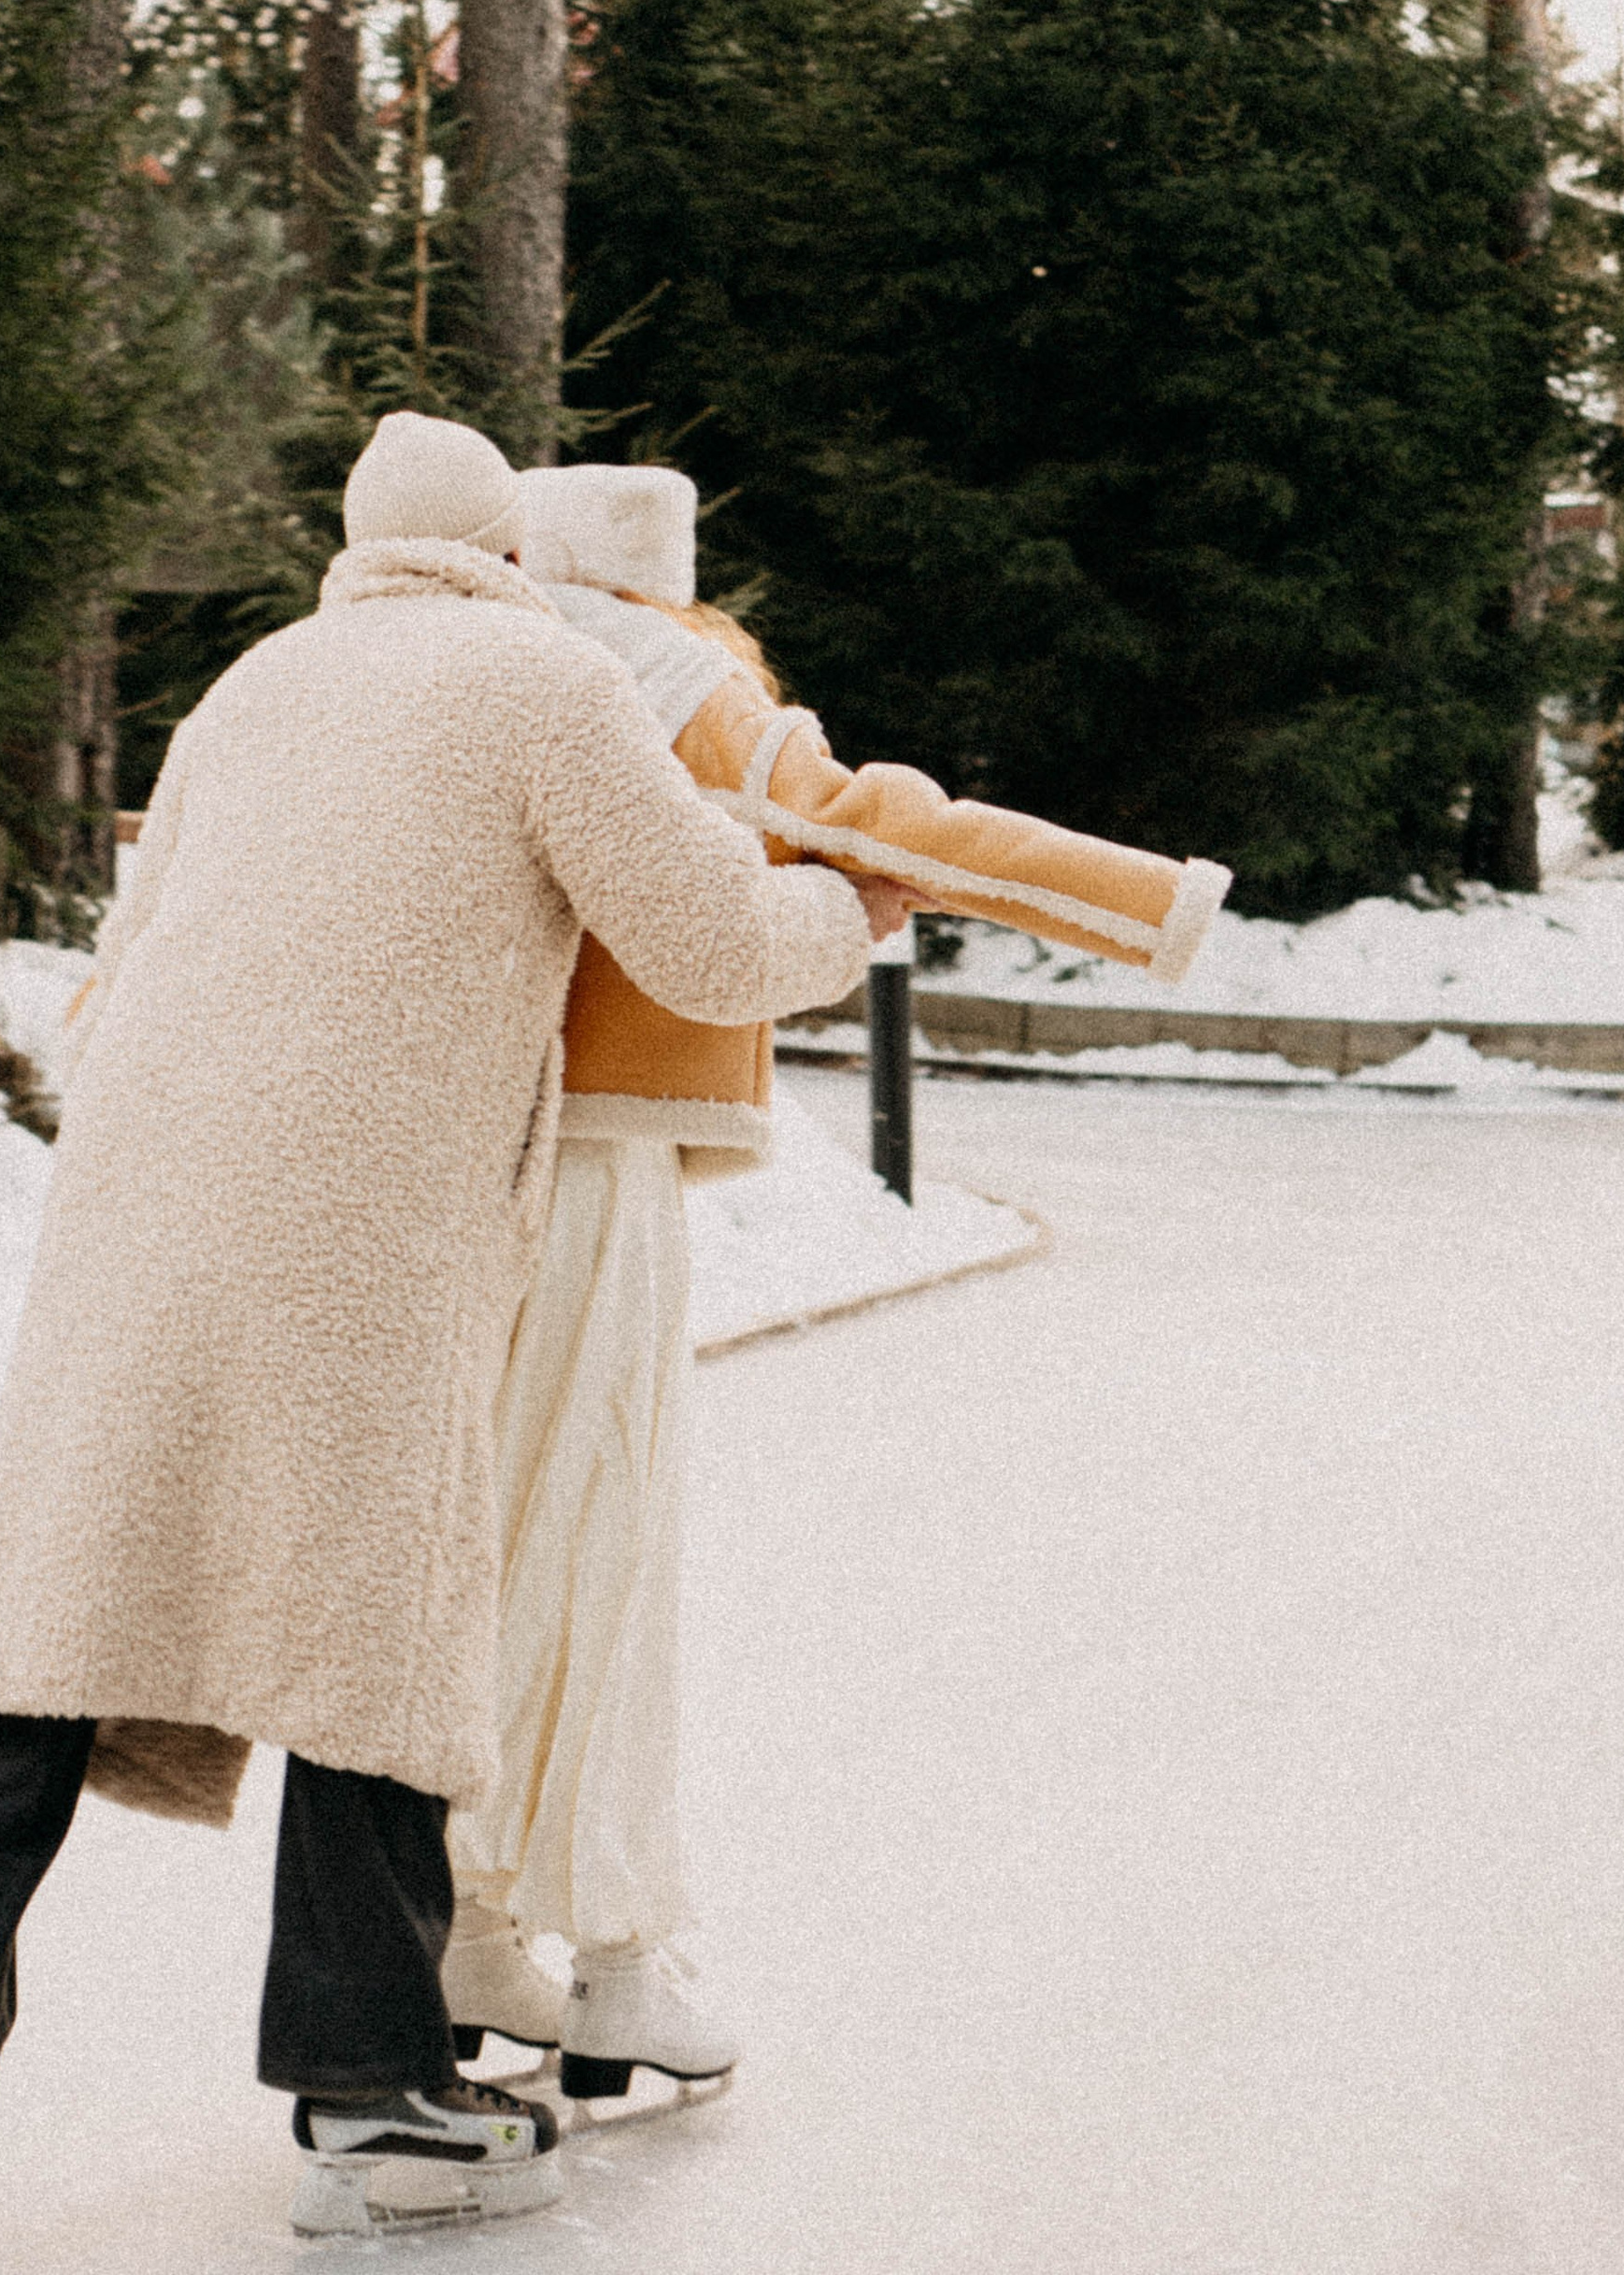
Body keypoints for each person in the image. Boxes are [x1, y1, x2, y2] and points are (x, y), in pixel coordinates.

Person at [0, 413, 901, 2240]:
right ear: (506, 553)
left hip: (142, 1184)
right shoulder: (543, 681)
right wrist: (846, 909)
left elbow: (134, 943)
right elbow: (705, 941)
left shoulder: (249, 688)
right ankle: (370, 2100)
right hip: (362, 1214)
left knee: (74, 1585)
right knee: (378, 1624)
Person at [443, 461, 1231, 2109]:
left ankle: (470, 1923)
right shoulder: (665, 675)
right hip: (597, 1157)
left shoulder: (461, 670)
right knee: (602, 1540)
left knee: (485, 1546)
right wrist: (1148, 903)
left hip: (449, 1154)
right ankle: (620, 1958)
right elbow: (877, 822)